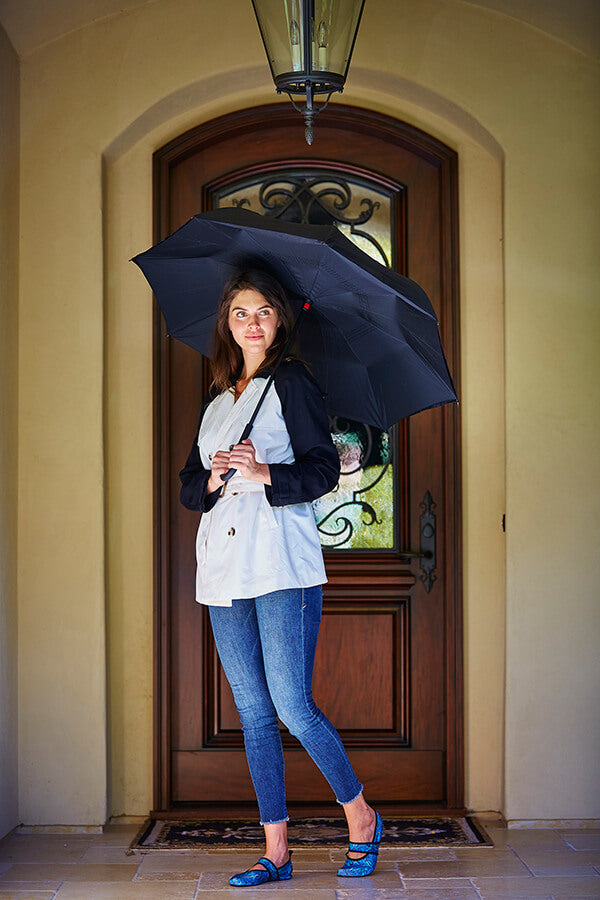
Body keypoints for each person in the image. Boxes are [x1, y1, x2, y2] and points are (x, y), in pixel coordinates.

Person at [179, 268, 383, 886]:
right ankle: (277, 850)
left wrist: (264, 472)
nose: (252, 323)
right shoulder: (218, 400)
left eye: (264, 312)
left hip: (278, 564)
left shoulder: (291, 382)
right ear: (227, 322)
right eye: (241, 312)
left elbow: (323, 471)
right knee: (253, 711)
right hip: (223, 571)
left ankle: (361, 815)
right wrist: (216, 476)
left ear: (279, 321)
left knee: (293, 705)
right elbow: (189, 489)